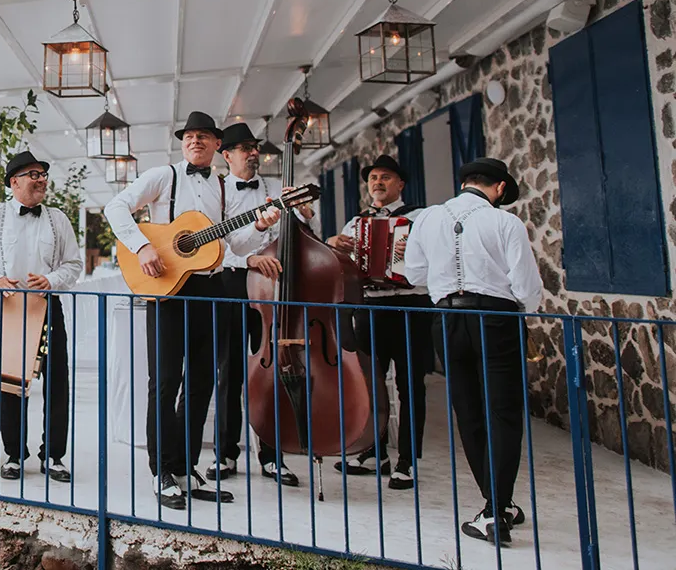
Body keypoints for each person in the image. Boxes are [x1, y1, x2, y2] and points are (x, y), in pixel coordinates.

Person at [105, 111, 281, 508]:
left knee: (202, 383)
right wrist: (143, 245)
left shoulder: (222, 186)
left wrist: (259, 225)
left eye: (204, 136)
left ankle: (185, 466)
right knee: (165, 382)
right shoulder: (162, 176)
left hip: (211, 289)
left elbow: (229, 245)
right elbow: (116, 207)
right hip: (167, 289)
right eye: (189, 136)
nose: (195, 141)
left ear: (218, 145)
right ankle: (161, 470)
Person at [401, 157, 542, 546]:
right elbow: (527, 287)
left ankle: (496, 503)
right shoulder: (505, 222)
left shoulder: (427, 218)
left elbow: (413, 274)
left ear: (465, 183)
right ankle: (496, 508)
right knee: (504, 411)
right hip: (495, 320)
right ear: (498, 189)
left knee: (468, 411)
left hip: (446, 319)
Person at [0, 150, 83, 482]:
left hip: (48, 307)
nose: (41, 179)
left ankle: (54, 456)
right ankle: (13, 454)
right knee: (7, 384)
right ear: (14, 182)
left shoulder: (58, 219)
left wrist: (53, 279)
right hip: (8, 308)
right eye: (33, 174)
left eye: (43, 174)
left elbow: (74, 264)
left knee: (57, 381)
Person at [206, 122, 305, 488]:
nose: (252, 153)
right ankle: (226, 453)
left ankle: (272, 454)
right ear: (227, 155)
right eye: (244, 148)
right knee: (229, 371)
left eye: (255, 147)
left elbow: (302, 238)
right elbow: (218, 247)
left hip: (273, 286)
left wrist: (304, 214)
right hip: (233, 283)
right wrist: (250, 254)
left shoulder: (277, 190)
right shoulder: (215, 193)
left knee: (271, 371)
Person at [325, 155, 430, 489]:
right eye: (372, 178)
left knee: (410, 384)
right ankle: (376, 452)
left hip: (411, 305)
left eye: (385, 177)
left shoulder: (419, 218)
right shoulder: (356, 223)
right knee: (370, 385)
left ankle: (407, 461)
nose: (378, 182)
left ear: (400, 184)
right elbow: (340, 265)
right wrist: (332, 245)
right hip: (371, 308)